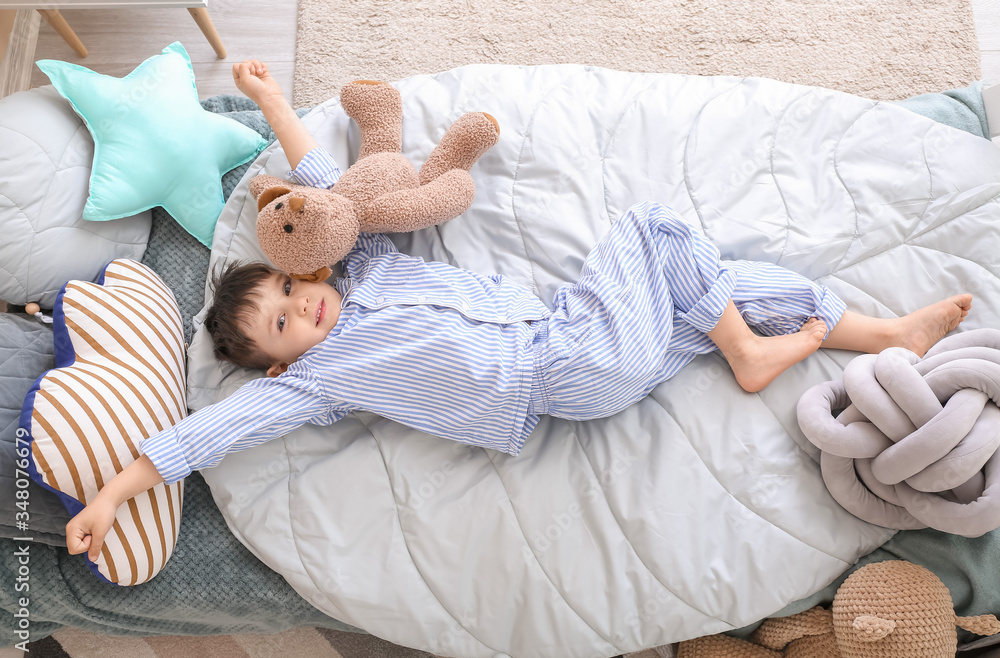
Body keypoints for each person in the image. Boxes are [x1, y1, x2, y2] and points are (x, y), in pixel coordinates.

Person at [64, 60, 973, 562]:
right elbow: (205, 437)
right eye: (285, 323)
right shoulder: (317, 382)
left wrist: (271, 100)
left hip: (570, 328)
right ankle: (746, 353)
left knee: (730, 282)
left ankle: (881, 333)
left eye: (299, 291)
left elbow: (318, 199)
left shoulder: (368, 268)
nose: (306, 308)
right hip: (561, 373)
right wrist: (110, 493)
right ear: (280, 362)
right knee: (653, 227)